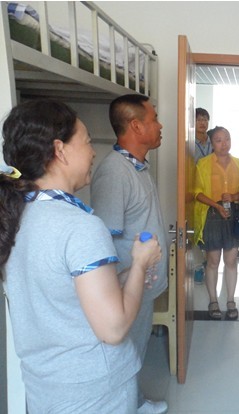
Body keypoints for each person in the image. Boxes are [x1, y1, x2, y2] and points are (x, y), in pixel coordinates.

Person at [0, 100, 162, 413]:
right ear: (59, 151)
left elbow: (60, 292)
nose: (92, 152)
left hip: (45, 386)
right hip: (94, 389)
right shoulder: (80, 227)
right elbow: (113, 329)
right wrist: (140, 264)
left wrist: (125, 276)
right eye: (87, 142)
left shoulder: (14, 215)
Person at [91, 94, 169, 414]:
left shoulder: (138, 167)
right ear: (136, 126)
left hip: (142, 283)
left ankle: (134, 402)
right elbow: (105, 241)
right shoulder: (115, 173)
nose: (160, 125)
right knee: (126, 352)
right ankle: (127, 407)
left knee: (136, 347)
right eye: (154, 118)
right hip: (127, 285)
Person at [193, 126, 239, 320]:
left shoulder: (238, 163)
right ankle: (213, 300)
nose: (224, 144)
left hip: (233, 215)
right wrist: (216, 206)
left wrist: (234, 197)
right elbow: (197, 193)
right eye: (218, 140)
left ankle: (231, 300)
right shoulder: (203, 164)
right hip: (212, 215)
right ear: (212, 143)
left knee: (231, 261)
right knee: (213, 261)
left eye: (227, 139)